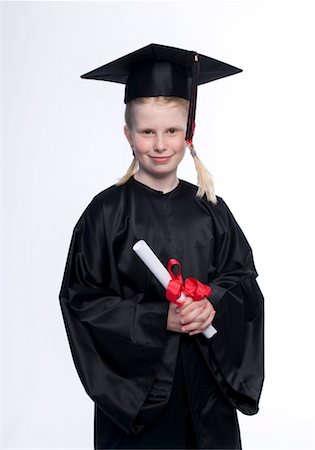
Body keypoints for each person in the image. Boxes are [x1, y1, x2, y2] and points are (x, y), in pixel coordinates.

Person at [59, 43, 264, 449]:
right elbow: (81, 300)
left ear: (188, 133)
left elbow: (243, 281)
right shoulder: (105, 213)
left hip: (207, 396)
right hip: (141, 407)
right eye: (147, 131)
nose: (159, 144)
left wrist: (212, 303)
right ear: (128, 135)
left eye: (171, 130)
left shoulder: (210, 210)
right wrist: (157, 319)